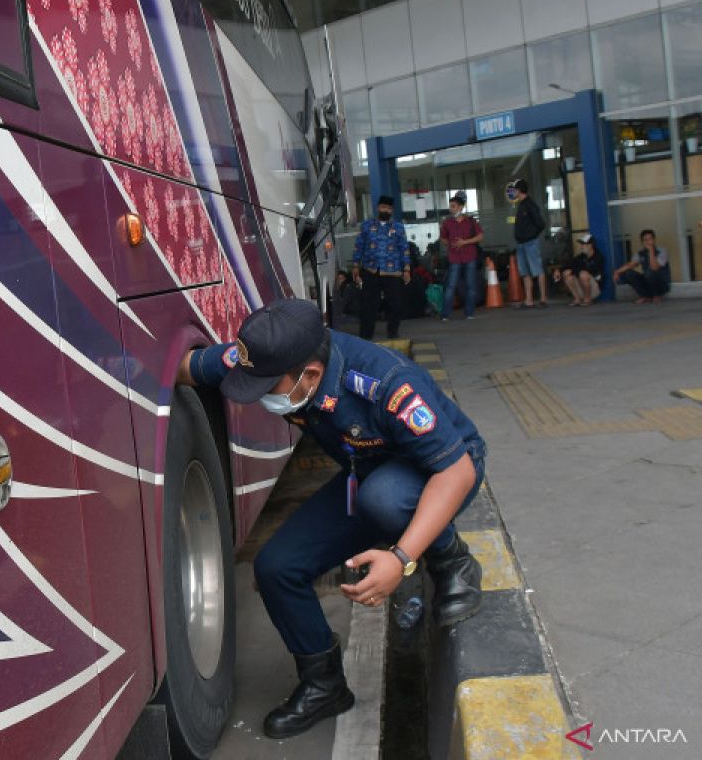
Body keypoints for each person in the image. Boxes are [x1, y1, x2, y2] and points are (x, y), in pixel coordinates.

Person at [176, 298, 486, 740]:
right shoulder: (268, 360)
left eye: (265, 387)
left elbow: (456, 471)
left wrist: (400, 558)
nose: (258, 395)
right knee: (276, 568)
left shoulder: (387, 385)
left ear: (312, 375)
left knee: (384, 499)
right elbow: (184, 366)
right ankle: (325, 685)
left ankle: (453, 561)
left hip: (442, 468)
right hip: (367, 475)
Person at [352, 195, 410, 340]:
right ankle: (366, 336)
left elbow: (404, 248)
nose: (386, 210)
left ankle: (392, 332)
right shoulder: (367, 226)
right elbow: (359, 246)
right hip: (370, 270)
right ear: (378, 208)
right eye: (383, 207)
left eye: (389, 209)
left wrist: (407, 269)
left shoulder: (398, 227)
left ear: (392, 211)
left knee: (395, 304)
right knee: (368, 305)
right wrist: (355, 266)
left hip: (393, 271)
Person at [439, 191, 483, 321]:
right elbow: (443, 238)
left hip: (469, 257)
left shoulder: (470, 221)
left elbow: (480, 236)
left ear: (460, 207)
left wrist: (465, 242)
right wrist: (450, 244)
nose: (451, 209)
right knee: (451, 286)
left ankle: (469, 313)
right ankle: (445, 314)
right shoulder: (447, 223)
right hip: (454, 258)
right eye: (450, 206)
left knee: (471, 286)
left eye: (453, 206)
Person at [507, 178, 548, 308]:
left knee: (537, 270)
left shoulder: (530, 205)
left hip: (530, 243)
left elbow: (540, 224)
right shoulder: (521, 205)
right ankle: (528, 300)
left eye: (514, 190)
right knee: (525, 272)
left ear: (519, 191)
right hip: (521, 244)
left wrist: (532, 236)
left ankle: (543, 299)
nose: (513, 192)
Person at [613, 229, 671, 303]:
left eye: (650, 239)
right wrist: (617, 272)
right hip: (649, 282)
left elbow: (654, 267)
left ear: (654, 240)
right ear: (642, 242)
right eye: (645, 240)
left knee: (649, 272)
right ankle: (645, 296)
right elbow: (631, 264)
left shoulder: (662, 251)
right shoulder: (641, 253)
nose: (648, 242)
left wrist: (651, 251)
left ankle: (656, 295)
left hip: (662, 284)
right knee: (629, 274)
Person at [554, 233, 604, 306]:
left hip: (594, 289)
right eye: (581, 244)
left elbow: (589, 270)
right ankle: (577, 299)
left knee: (583, 274)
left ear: (590, 245)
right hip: (582, 287)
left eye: (583, 244)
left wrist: (573, 271)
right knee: (566, 272)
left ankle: (588, 299)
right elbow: (570, 264)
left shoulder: (598, 257)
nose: (581, 247)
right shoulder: (581, 257)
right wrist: (558, 270)